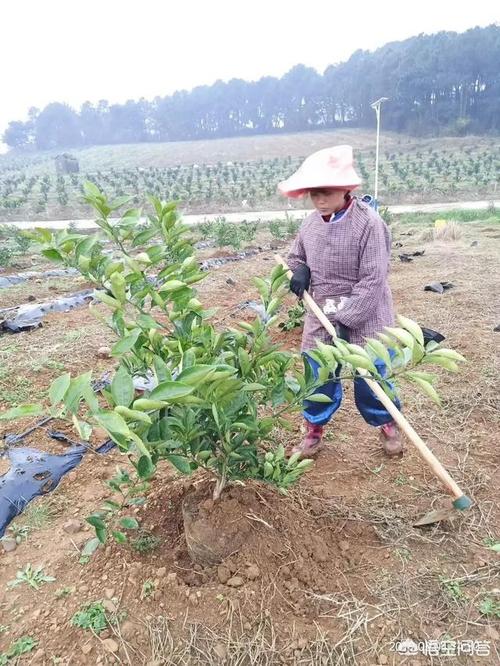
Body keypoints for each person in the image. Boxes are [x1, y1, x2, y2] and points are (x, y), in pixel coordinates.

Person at [278, 145, 402, 458]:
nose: (318, 199)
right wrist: (301, 271)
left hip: (365, 313)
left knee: (371, 374)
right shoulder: (310, 223)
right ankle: (313, 431)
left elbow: (373, 279)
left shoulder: (369, 224)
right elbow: (295, 257)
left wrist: (347, 320)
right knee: (317, 372)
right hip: (322, 311)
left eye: (325, 192)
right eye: (313, 193)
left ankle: (387, 424)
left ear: (345, 189)